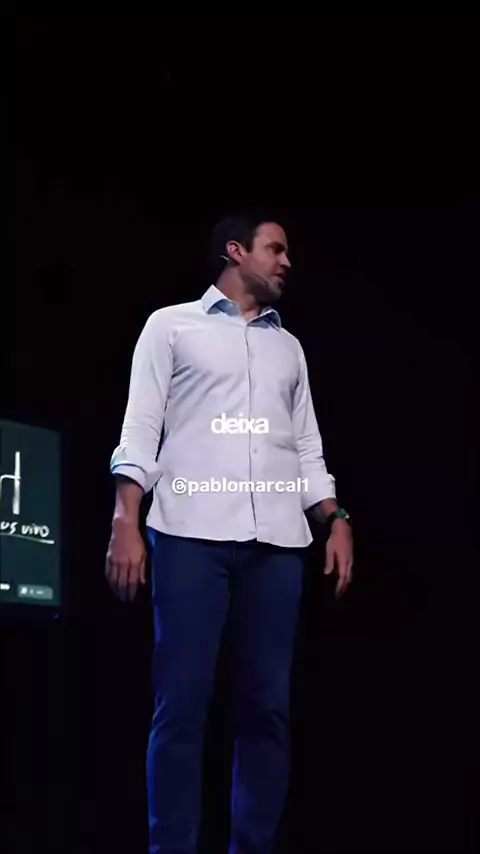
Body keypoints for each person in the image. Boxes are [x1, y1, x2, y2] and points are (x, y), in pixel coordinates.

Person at [105, 211, 354, 854]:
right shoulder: (170, 326)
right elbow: (141, 427)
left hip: (278, 547)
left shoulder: (288, 347)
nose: (287, 262)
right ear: (236, 251)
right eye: (276, 249)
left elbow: (306, 448)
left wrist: (335, 518)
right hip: (189, 537)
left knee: (267, 710)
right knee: (181, 706)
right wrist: (125, 519)